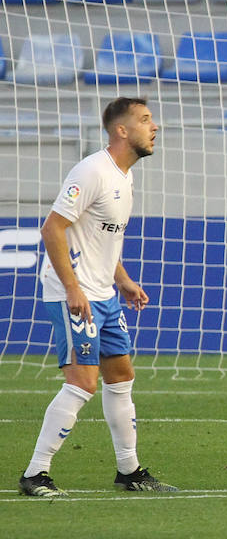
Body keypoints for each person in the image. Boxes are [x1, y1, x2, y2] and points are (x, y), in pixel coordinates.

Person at [19, 97, 177, 498]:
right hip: (73, 292)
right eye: (145, 120)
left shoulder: (125, 176)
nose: (154, 127)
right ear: (121, 130)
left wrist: (121, 279)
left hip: (103, 292)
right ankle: (35, 474)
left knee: (121, 376)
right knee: (83, 383)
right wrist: (73, 289)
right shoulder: (91, 170)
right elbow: (52, 229)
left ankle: (129, 471)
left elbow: (105, 237)